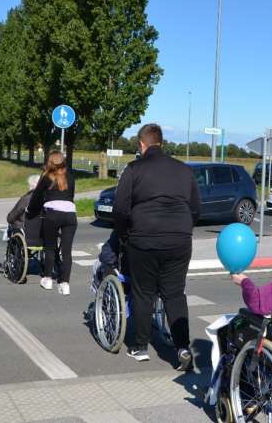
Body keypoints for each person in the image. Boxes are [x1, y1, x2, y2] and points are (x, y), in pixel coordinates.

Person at [113, 123, 201, 371]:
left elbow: (120, 209)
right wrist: (182, 230)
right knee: (174, 294)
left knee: (144, 293)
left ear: (142, 144)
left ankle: (140, 347)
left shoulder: (133, 169)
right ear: (161, 142)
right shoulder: (184, 170)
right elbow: (196, 208)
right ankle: (183, 346)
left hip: (144, 239)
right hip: (179, 239)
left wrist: (125, 235)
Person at [26, 151, 77, 295]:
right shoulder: (71, 177)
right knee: (67, 251)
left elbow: (36, 197)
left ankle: (48, 279)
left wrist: (30, 211)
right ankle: (64, 283)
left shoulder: (46, 177)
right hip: (70, 216)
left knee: (50, 247)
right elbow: (70, 196)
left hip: (53, 214)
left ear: (50, 162)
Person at [6, 175, 43, 242]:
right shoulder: (47, 197)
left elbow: (13, 215)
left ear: (31, 185)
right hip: (42, 229)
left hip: (26, 230)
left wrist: (9, 219)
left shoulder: (26, 198)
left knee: (12, 221)